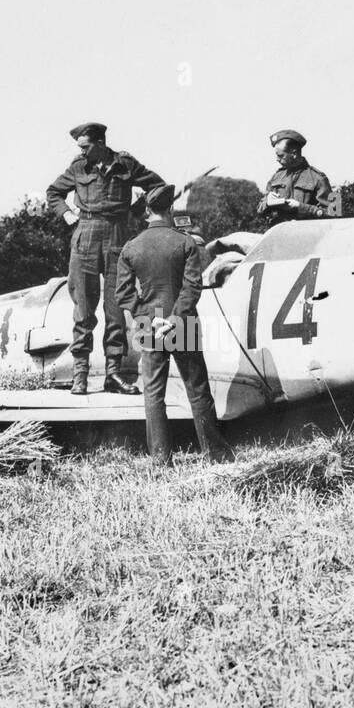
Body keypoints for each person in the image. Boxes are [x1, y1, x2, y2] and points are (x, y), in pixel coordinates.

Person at [115, 184, 235, 466]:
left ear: (146, 211)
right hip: (183, 324)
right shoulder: (185, 243)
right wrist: (173, 319)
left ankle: (160, 458)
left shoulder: (131, 247)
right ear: (170, 210)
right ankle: (215, 454)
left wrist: (147, 315)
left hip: (147, 326)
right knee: (197, 390)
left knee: (153, 393)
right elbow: (193, 287)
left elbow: (122, 293)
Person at [46, 121, 166, 395]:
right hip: (84, 236)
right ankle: (80, 375)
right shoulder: (78, 167)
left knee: (116, 309)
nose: (82, 152)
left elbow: (157, 185)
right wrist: (67, 214)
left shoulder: (125, 164)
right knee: (83, 310)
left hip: (117, 236)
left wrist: (137, 209)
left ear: (100, 144)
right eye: (81, 148)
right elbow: (53, 193)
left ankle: (113, 374)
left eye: (86, 147)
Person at [257, 129, 335, 222]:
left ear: (294, 153)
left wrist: (300, 207)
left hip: (306, 234)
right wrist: (267, 202)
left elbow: (336, 212)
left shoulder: (319, 178)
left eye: (281, 156)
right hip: (278, 234)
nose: (277, 159)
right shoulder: (276, 177)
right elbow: (259, 209)